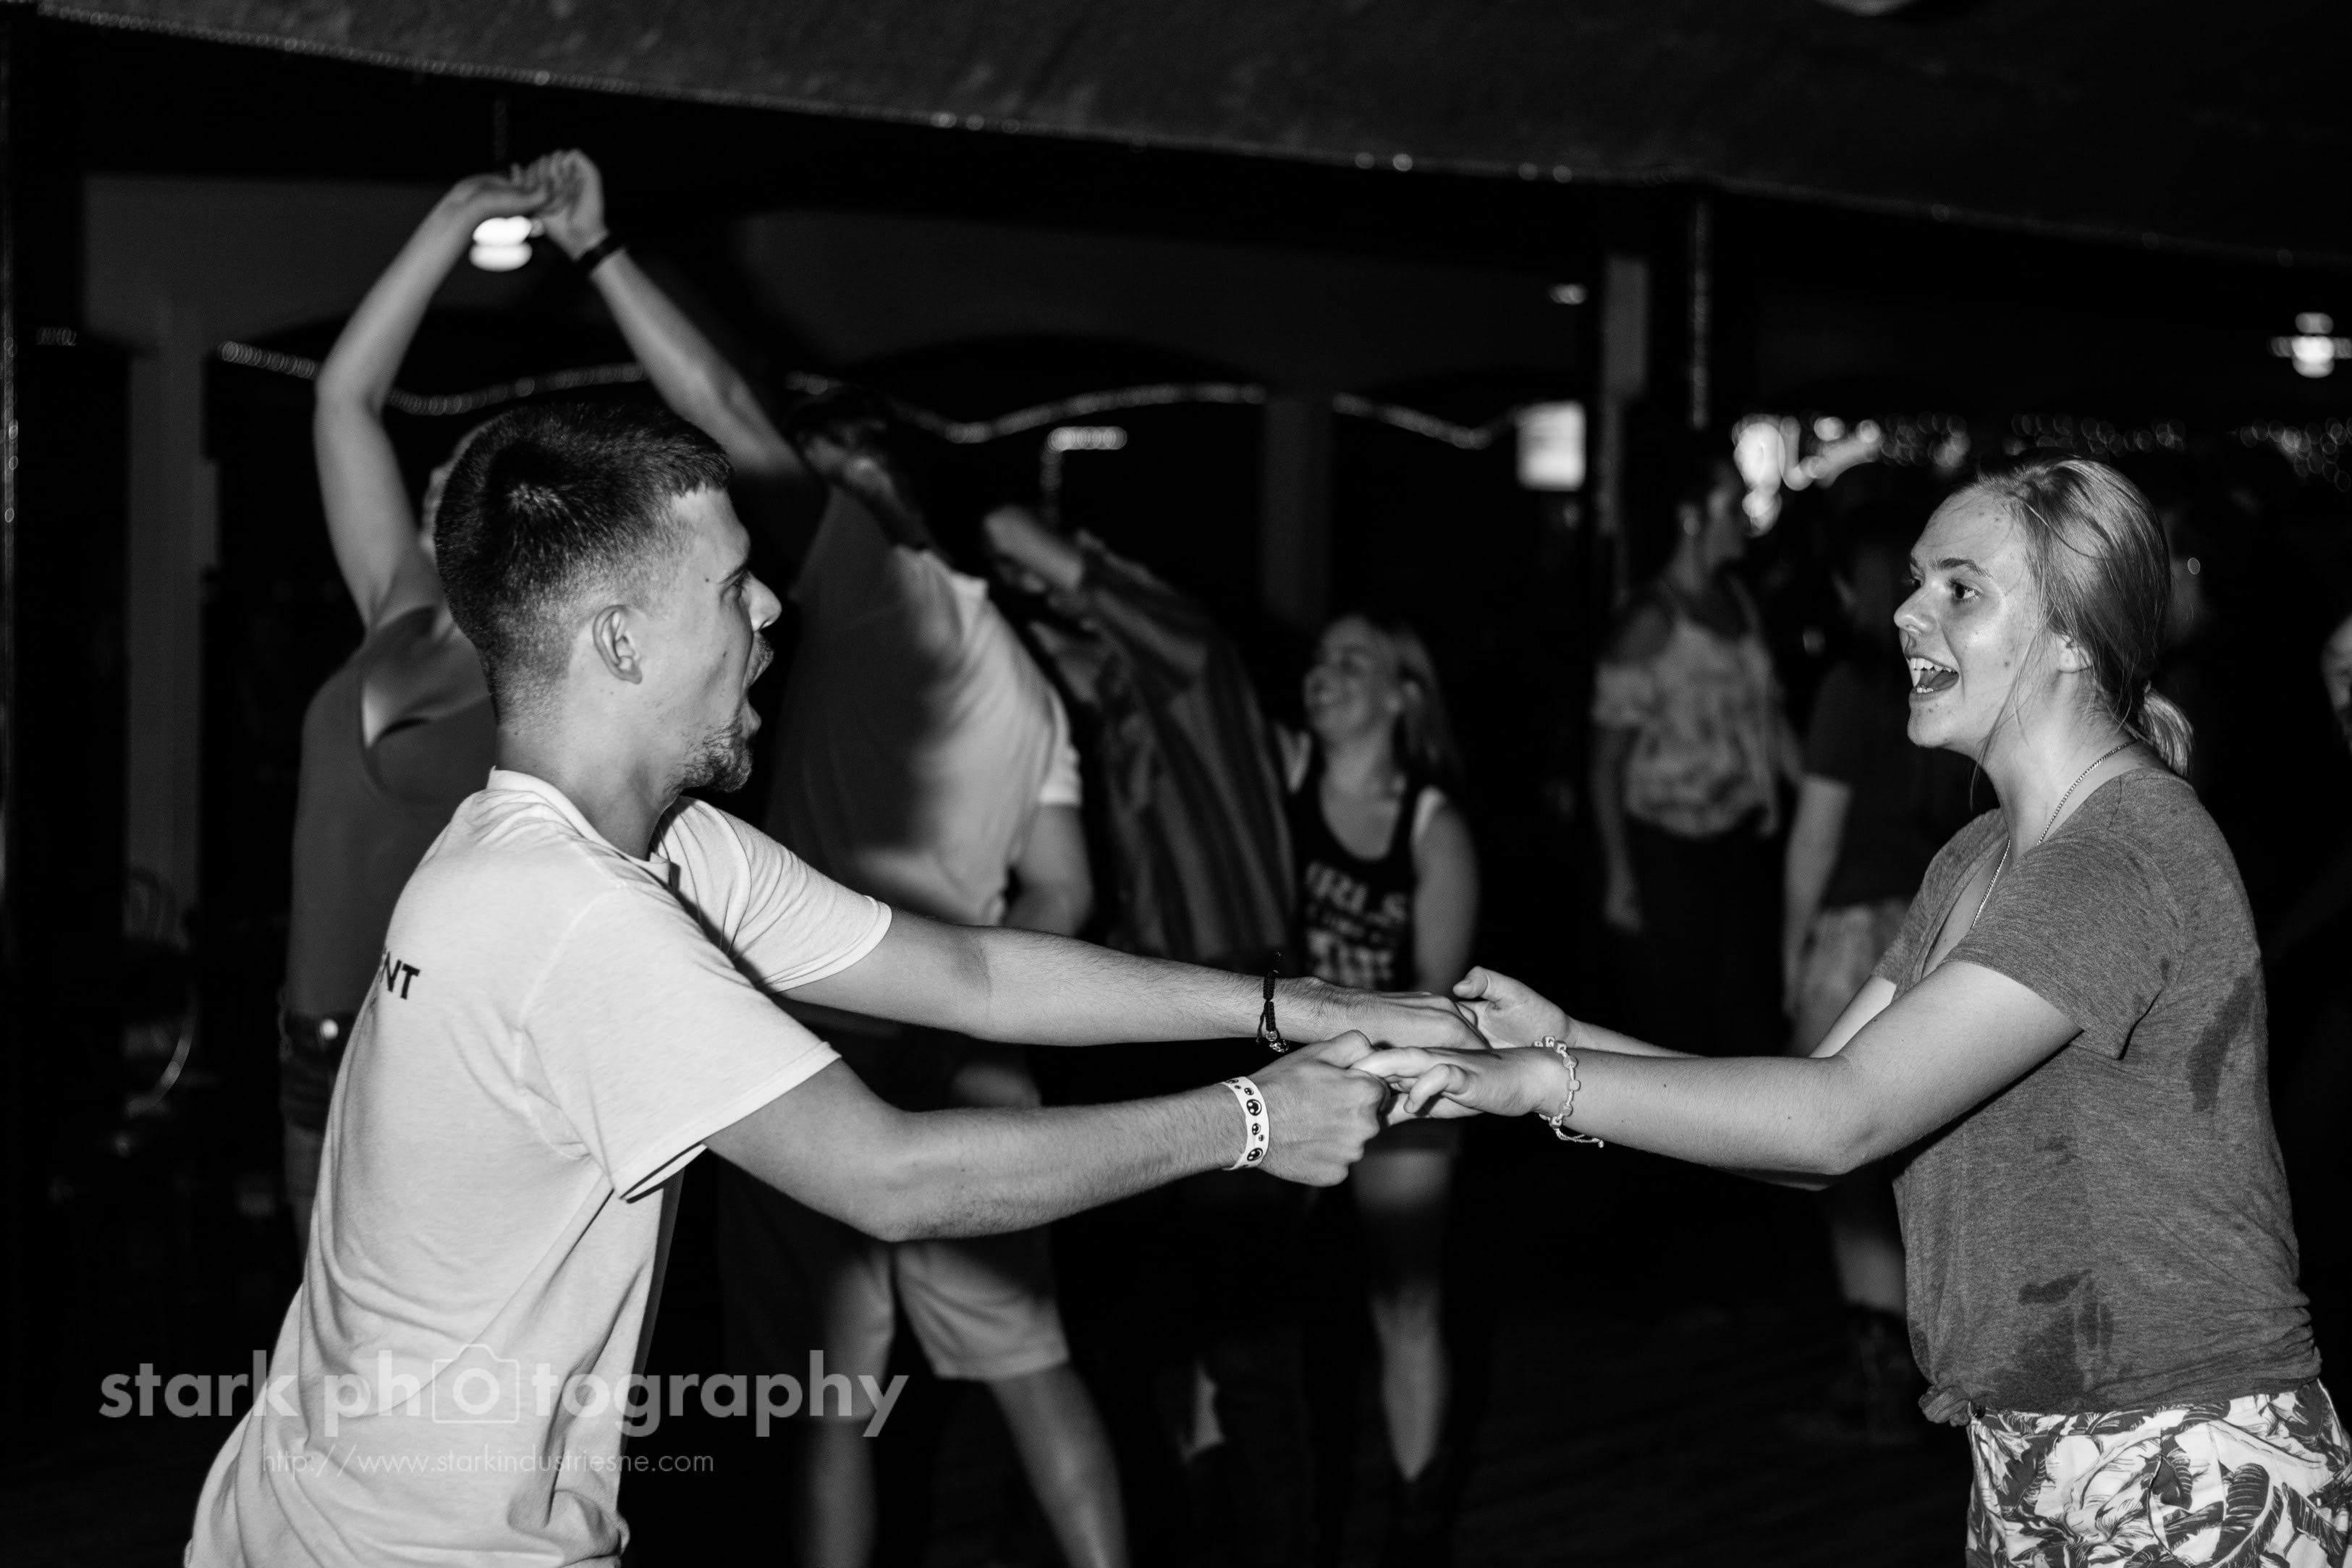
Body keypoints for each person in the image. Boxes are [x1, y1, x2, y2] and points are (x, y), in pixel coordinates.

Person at [186, 401, 1480, 1568]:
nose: (772, 610)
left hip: (338, 1509)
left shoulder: (639, 848)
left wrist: (1300, 1006)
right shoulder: (576, 915)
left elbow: (972, 970)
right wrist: (1254, 1120)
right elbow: (894, 1178)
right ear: (621, 642)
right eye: (731, 587)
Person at [1363, 457, 2351, 1565]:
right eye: (1915, 580)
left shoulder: (2117, 855)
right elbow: (1804, 1123)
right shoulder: (1975, 858)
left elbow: (1841, 1116)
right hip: (2028, 1453)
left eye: (1959, 588)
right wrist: (1557, 1038)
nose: (1905, 610)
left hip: (2190, 1459)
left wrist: (1544, 1080)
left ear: (2073, 635)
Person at [279, 152, 819, 1242]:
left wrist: (599, 253)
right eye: (445, 471)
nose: (454, 482)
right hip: (312, 1038)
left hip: (458, 1050)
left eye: (486, 478)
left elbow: (729, 439)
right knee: (327, 1315)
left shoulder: (556, 668)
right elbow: (343, 399)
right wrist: (454, 213)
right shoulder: (397, 606)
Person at [730, 391, 1126, 1568]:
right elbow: (1064, 889)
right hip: (972, 1056)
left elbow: (724, 409)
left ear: (858, 487)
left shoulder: (875, 584)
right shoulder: (1030, 681)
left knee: (825, 1405)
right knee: (1031, 1363)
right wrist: (957, 1015)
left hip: (819, 1050)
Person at [982, 504, 1317, 1567]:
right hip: (1151, 1027)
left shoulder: (1192, 675)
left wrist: (973, 525)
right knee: (1126, 1330)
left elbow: (1065, 567)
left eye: (1052, 610)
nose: (1040, 624)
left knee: (1248, 1345)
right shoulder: (1098, 736)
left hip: (1241, 1012)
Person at [1283, 611, 1479, 1565]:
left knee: (1403, 1304)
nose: (1324, 672)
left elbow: (1435, 1004)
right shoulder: (1274, 780)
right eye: (1319, 657)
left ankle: (1414, 1529)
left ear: (1402, 695)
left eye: (1351, 660)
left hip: (1402, 1092)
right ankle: (1216, 1498)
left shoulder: (1432, 825)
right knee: (1242, 1298)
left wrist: (1359, 1076)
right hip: (1279, 1078)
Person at [1780, 512, 1973, 1446]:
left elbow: (1814, 837)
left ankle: (1878, 1371)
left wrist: (1789, 950)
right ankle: (1907, 1361)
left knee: (1834, 1153)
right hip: (1935, 921)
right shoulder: (1948, 684)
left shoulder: (1849, 690)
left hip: (1858, 928)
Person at [1589, 433, 1800, 1059]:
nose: (1746, 517)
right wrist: (1619, 878)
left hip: (1740, 846)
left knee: (1746, 1028)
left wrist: (1822, 795)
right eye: (1733, 504)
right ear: (1691, 516)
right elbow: (1604, 764)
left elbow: (1770, 721)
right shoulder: (1650, 620)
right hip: (1669, 854)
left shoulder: (1736, 601)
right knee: (1676, 1036)